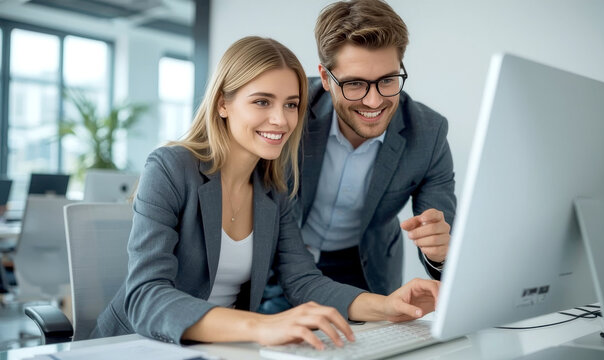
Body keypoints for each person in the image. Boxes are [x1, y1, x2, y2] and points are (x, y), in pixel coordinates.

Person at [91, 36, 440, 349]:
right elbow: (145, 296)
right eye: (262, 102)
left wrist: (389, 305)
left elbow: (303, 281)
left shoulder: (274, 189)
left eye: (291, 105)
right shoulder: (170, 168)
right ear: (223, 104)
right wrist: (264, 326)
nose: (281, 120)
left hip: (219, 349)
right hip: (135, 345)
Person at [261, 0, 456, 314]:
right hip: (281, 266)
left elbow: (444, 232)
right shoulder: (290, 111)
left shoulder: (429, 133)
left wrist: (440, 249)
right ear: (325, 78)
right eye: (354, 84)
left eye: (388, 80)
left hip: (367, 273)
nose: (374, 100)